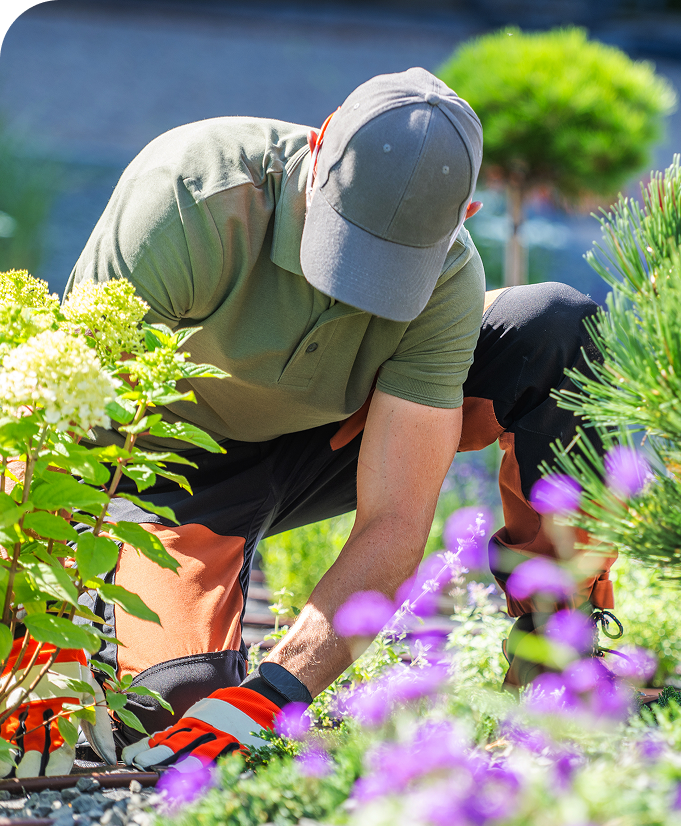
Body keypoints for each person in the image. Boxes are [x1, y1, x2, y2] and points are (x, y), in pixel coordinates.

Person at [53, 67, 615, 771]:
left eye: (390, 265)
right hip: (169, 468)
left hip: (346, 438)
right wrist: (42, 643)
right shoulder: (189, 199)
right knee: (175, 712)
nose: (358, 283)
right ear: (318, 148)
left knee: (553, 329)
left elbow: (396, 522)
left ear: (464, 217)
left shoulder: (448, 274)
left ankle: (556, 658)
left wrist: (277, 692)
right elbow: (60, 432)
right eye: (345, 239)